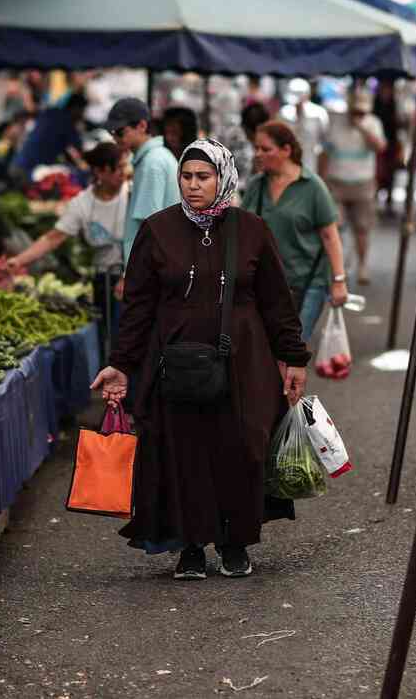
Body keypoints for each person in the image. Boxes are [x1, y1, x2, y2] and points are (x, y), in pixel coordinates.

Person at [91, 138, 309, 580]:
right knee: (182, 452)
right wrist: (122, 363)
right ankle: (189, 545)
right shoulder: (157, 230)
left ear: (223, 178)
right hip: (174, 364)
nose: (193, 186)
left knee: (242, 448)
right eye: (186, 177)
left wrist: (293, 358)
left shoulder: (251, 230)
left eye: (203, 177)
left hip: (244, 364)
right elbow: (137, 307)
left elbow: (276, 301)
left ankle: (235, 543)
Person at [6, 143, 130, 353]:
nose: (123, 173)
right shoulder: (82, 204)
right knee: (110, 344)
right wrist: (18, 261)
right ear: (100, 171)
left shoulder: (133, 193)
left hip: (134, 277)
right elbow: (52, 238)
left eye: (124, 167)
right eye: (117, 168)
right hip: (105, 281)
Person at [247, 121, 348, 341]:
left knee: (292, 350)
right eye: (257, 148)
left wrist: (339, 280)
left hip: (307, 284)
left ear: (286, 150)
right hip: (264, 285)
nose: (258, 154)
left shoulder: (312, 187)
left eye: (266, 149)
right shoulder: (256, 185)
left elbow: (330, 236)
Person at [106, 97, 181, 297]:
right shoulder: (155, 158)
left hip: (152, 273)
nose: (115, 138)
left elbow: (150, 228)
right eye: (112, 133)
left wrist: (129, 275)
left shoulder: (152, 163)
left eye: (120, 132)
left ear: (141, 126)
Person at [319, 88, 386, 285]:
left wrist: (363, 129)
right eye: (355, 112)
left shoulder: (373, 123)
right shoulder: (335, 123)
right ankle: (339, 266)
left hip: (363, 183)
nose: (358, 115)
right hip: (336, 182)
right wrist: (322, 182)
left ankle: (362, 265)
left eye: (362, 112)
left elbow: (380, 147)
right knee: (335, 227)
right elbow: (325, 153)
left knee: (362, 228)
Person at [12, 93, 89, 178]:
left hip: (17, 164)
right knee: (73, 174)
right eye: (82, 110)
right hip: (31, 172)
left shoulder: (50, 113)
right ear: (76, 108)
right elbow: (78, 153)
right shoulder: (67, 123)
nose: (83, 115)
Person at [278, 79, 329, 174]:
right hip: (289, 164)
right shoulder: (284, 113)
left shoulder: (319, 114)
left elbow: (324, 142)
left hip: (311, 163)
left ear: (307, 95)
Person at [373, 80, 405, 216]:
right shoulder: (376, 106)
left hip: (391, 145)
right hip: (379, 145)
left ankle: (388, 202)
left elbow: (397, 128)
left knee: (390, 175)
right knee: (378, 174)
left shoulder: (394, 105)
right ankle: (375, 201)